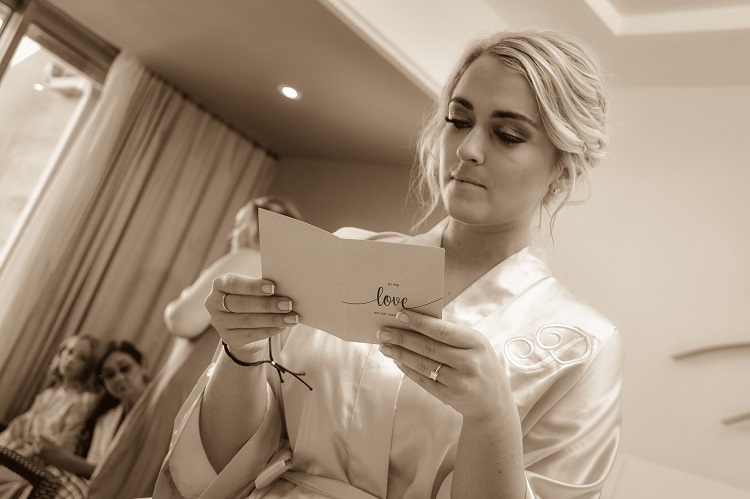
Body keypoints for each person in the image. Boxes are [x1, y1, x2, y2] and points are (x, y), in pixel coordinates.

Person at [154, 29, 622, 499]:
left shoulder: (582, 346)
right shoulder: (342, 256)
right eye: (459, 120)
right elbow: (220, 465)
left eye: (507, 135)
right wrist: (241, 350)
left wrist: (492, 417)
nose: (467, 149)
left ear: (563, 170)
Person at [86, 197, 302, 499]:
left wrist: (181, 298)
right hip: (226, 387)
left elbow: (182, 320)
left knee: (143, 474)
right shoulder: (288, 279)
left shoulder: (246, 257)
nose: (232, 234)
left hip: (190, 381)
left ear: (256, 226)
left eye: (239, 223)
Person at [23, 340, 150, 498]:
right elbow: (94, 467)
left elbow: (135, 474)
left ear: (143, 366)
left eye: (125, 368)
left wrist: (63, 459)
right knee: (47, 479)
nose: (118, 378)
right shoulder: (106, 419)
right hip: (96, 488)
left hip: (136, 493)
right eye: (109, 375)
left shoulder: (159, 412)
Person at [0, 335, 99, 497]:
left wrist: (36, 450)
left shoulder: (85, 401)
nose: (70, 359)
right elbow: (17, 428)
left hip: (38, 463)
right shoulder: (47, 395)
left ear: (88, 367)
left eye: (81, 358)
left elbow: (66, 445)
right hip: (13, 451)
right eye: (68, 351)